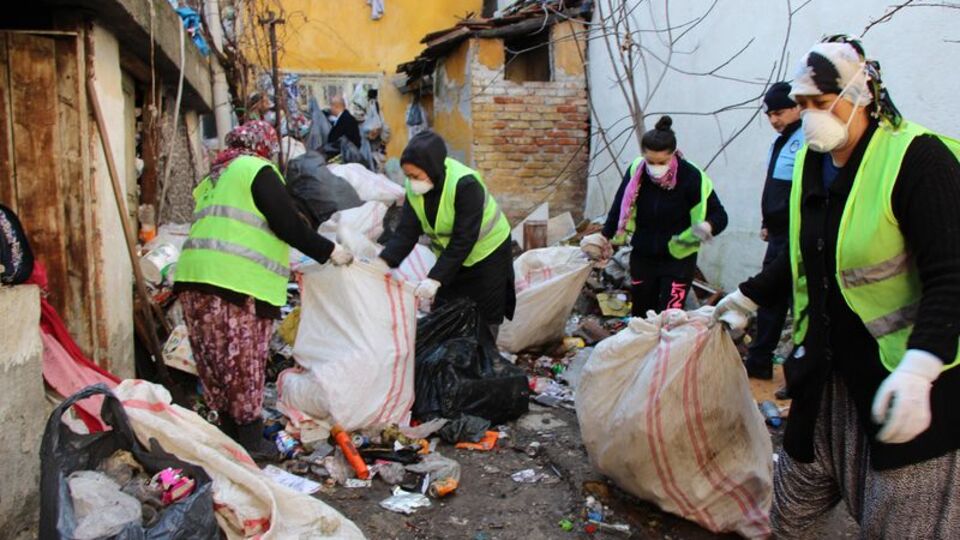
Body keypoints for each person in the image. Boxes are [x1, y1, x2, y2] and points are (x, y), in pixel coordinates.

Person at [714, 36, 960, 537]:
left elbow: (951, 275)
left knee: (902, 519)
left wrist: (921, 368)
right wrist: (748, 295)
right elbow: (808, 253)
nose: (809, 118)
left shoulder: (918, 160)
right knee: (792, 512)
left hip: (904, 385)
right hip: (825, 376)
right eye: (801, 105)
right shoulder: (812, 159)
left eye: (820, 104)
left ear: (862, 94)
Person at [174, 120, 353, 460]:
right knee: (243, 364)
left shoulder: (215, 176)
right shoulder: (257, 169)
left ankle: (227, 436)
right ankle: (252, 442)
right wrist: (329, 251)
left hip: (194, 280)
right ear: (264, 146)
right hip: (236, 285)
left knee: (214, 363)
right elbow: (286, 223)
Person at [582, 116, 728, 315]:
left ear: (674, 155)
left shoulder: (692, 177)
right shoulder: (637, 172)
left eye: (662, 162)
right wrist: (604, 236)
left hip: (679, 259)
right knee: (641, 316)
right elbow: (619, 206)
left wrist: (706, 227)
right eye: (650, 161)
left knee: (669, 318)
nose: (655, 167)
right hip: (643, 257)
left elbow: (719, 215)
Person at [377, 130, 515, 336]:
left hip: (488, 254)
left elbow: (464, 238)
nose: (411, 181)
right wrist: (384, 262)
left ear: (432, 169)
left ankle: (484, 360)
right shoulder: (416, 189)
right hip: (452, 258)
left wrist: (435, 278)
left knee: (483, 317)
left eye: (415, 176)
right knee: (445, 312)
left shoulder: (465, 184)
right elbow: (406, 232)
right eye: (407, 176)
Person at [744, 82, 804, 381]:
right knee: (770, 299)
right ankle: (759, 361)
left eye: (779, 112)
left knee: (800, 304)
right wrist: (767, 223)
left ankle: (800, 371)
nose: (774, 120)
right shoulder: (781, 141)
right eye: (769, 115)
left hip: (798, 237)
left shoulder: (808, 138)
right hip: (778, 234)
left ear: (797, 108)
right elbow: (775, 188)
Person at [325, 94, 361, 159]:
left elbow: (344, 140)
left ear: (336, 106)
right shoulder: (344, 118)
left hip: (347, 156)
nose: (330, 108)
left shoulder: (346, 120)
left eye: (331, 106)